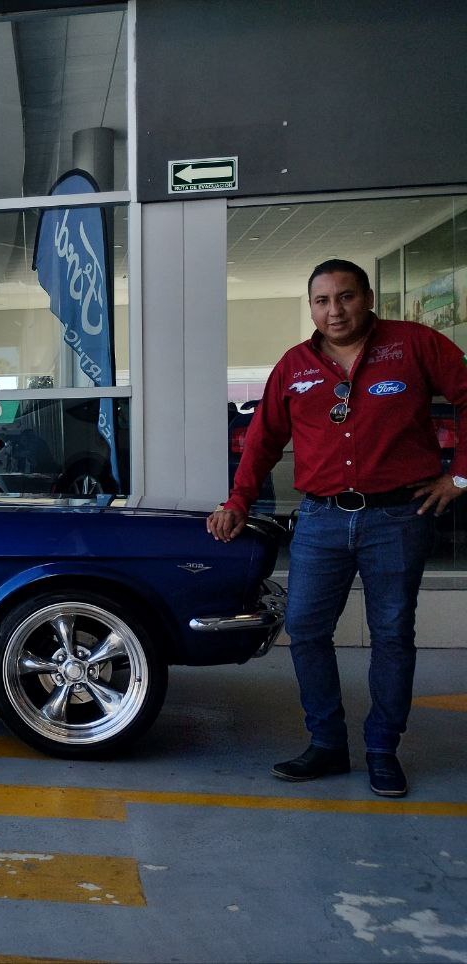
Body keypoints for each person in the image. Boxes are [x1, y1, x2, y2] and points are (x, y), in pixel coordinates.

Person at [208, 258, 467, 797]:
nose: (335, 310)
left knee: (392, 635)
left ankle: (382, 749)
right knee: (305, 630)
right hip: (321, 520)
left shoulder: (414, 344)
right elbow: (262, 441)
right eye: (323, 301)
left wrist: (459, 478)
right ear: (311, 307)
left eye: (345, 297)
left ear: (367, 297)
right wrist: (237, 501)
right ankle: (326, 743)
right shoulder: (294, 364)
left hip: (398, 518)